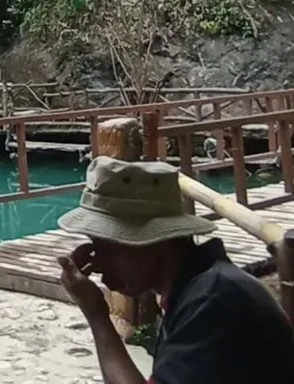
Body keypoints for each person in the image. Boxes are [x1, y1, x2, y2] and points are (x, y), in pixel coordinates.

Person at [56, 156, 294, 384]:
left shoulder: (213, 299)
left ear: (157, 240)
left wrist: (97, 315)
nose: (98, 262)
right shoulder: (199, 287)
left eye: (107, 245)